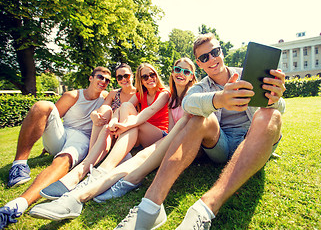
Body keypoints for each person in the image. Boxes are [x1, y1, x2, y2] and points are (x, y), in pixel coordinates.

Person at [113, 33, 286, 230]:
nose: (212, 59)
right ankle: (151, 205)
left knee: (271, 116)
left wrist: (274, 96)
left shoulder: (249, 74)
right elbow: (188, 103)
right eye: (205, 58)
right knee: (198, 117)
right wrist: (219, 99)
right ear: (199, 63)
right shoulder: (201, 86)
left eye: (215, 52)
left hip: (253, 140)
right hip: (222, 144)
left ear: (221, 51)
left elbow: (281, 108)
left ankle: (205, 208)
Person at [28, 58, 198, 221]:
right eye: (144, 76)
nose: (149, 78)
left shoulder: (166, 93)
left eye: (152, 74)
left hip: (158, 135)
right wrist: (115, 121)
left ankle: (97, 169)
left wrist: (126, 125)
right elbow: (119, 108)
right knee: (121, 110)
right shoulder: (159, 95)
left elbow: (150, 114)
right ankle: (91, 167)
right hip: (148, 133)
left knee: (132, 125)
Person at [0, 66, 111, 228]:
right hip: (62, 135)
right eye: (100, 77)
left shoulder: (106, 98)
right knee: (42, 106)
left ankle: (18, 204)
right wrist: (49, 143)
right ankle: (19, 166)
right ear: (91, 78)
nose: (103, 82)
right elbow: (50, 119)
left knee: (63, 159)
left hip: (81, 140)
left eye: (107, 80)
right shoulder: (72, 96)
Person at [38, 63, 136, 199]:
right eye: (119, 77)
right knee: (105, 112)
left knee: (122, 109)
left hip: (130, 132)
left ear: (133, 76)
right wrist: (95, 115)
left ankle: (88, 164)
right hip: (113, 131)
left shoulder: (139, 92)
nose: (123, 79)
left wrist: (116, 120)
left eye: (126, 75)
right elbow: (104, 107)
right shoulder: (114, 94)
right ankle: (90, 161)